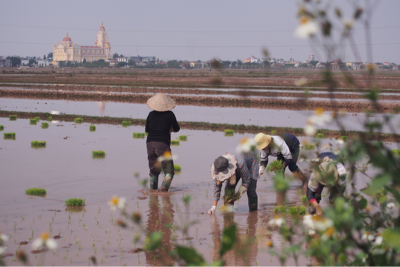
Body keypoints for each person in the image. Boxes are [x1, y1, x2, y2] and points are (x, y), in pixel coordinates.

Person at [145, 93, 180, 192]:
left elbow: (147, 129)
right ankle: (164, 191)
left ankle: (153, 191)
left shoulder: (151, 114)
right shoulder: (170, 115)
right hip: (163, 144)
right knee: (169, 171)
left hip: (150, 144)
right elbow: (177, 129)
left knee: (153, 170)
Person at [207, 149, 259, 214]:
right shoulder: (218, 167)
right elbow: (216, 186)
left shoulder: (240, 164)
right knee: (228, 190)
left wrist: (237, 196)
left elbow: (247, 181)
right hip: (237, 165)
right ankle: (228, 214)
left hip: (251, 161)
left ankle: (253, 213)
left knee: (251, 190)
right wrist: (213, 207)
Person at [307, 152, 347, 216]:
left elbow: (340, 192)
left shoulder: (342, 174)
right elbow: (309, 194)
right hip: (321, 170)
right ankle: (313, 214)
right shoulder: (314, 175)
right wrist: (317, 206)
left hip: (336, 177)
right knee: (315, 198)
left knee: (336, 201)